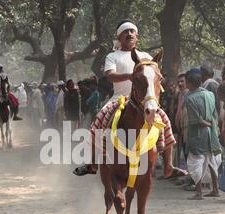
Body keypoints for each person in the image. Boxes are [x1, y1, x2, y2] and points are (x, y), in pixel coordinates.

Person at [73, 20, 180, 179]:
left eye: (132, 31)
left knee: (165, 121)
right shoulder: (113, 56)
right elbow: (110, 75)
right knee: (98, 121)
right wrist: (130, 76)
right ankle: (92, 163)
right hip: (119, 98)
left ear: (137, 36)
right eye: (125, 31)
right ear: (119, 37)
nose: (129, 34)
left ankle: (168, 166)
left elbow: (155, 76)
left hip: (144, 100)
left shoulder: (146, 56)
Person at [185, 69, 222, 200]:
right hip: (211, 133)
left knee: (195, 162)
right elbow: (214, 115)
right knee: (212, 160)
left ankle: (199, 191)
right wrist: (212, 126)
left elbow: (197, 121)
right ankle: (215, 189)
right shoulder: (210, 95)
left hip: (198, 134)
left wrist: (206, 124)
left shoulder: (189, 98)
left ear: (189, 83)